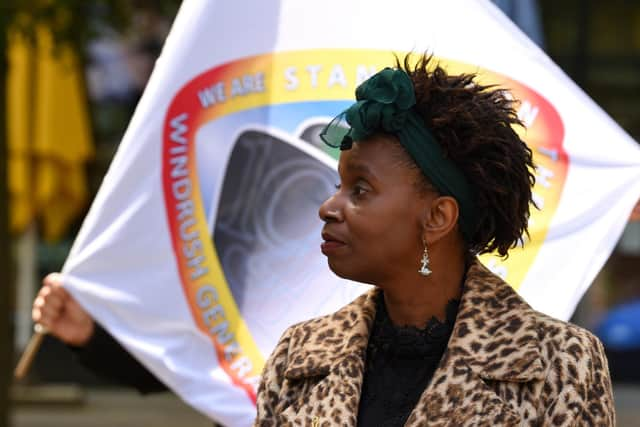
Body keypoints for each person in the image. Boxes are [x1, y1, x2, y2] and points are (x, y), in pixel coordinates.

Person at [254, 55, 616, 426]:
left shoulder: (560, 364)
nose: (329, 207)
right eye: (338, 186)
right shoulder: (298, 356)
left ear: (438, 217)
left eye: (359, 190)